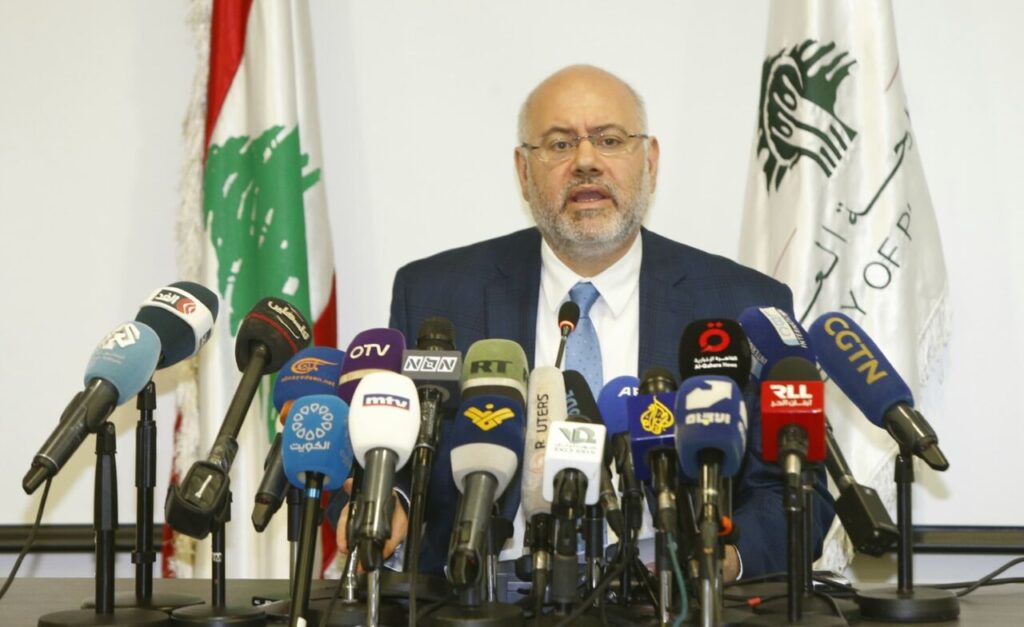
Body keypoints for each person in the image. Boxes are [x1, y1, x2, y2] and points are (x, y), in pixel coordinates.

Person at [333, 64, 834, 581]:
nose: (586, 162)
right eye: (559, 144)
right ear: (523, 172)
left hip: (668, 598)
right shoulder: (435, 295)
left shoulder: (741, 305)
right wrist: (385, 501)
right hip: (481, 597)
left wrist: (720, 560)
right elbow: (376, 465)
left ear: (650, 162)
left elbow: (797, 494)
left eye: (610, 140)